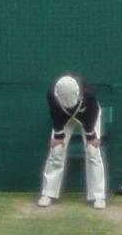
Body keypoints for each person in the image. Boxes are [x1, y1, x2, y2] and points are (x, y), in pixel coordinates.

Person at [39, 74, 105, 210]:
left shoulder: (88, 94)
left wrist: (91, 135)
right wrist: (58, 135)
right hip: (63, 119)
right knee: (56, 150)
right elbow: (55, 113)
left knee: (93, 151)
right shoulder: (51, 93)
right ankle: (48, 193)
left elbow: (92, 114)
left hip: (88, 119)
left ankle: (98, 195)